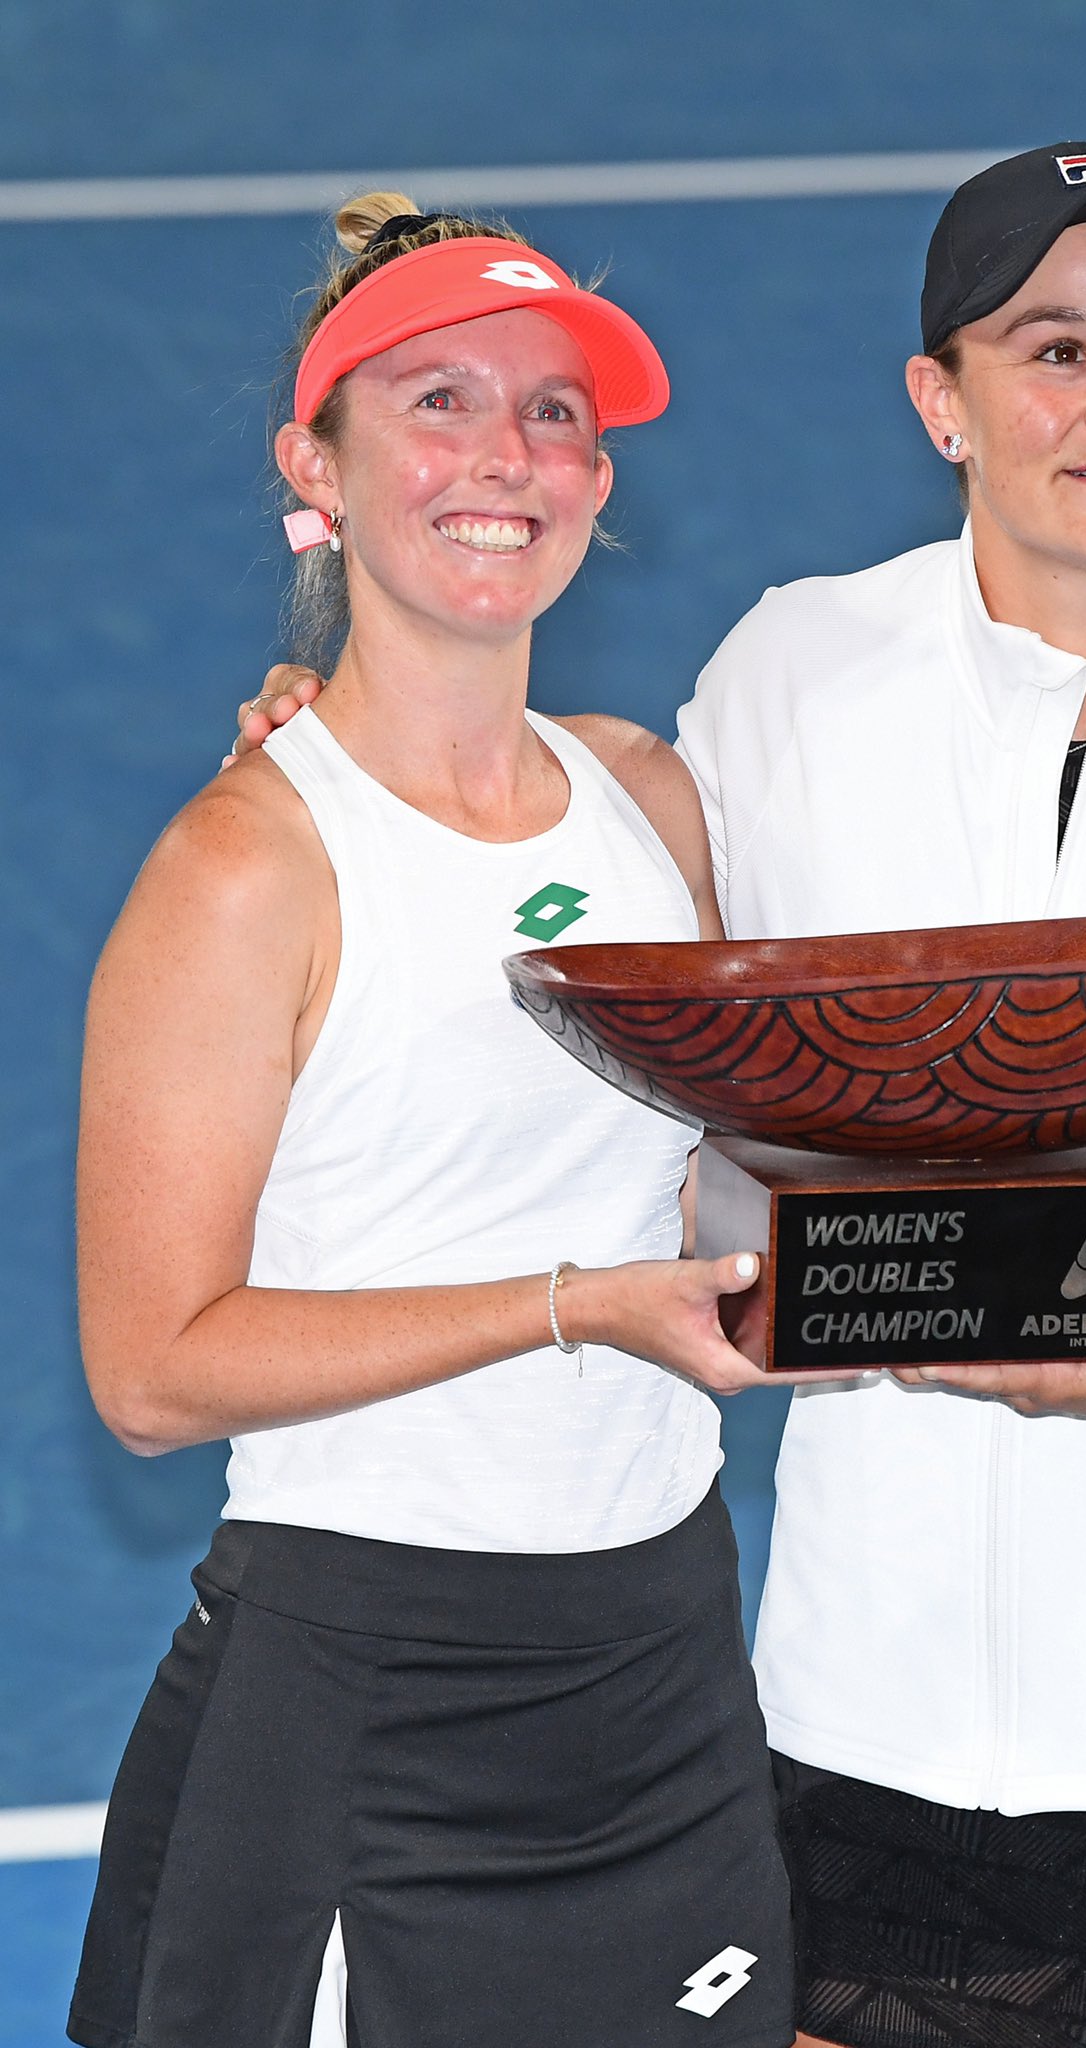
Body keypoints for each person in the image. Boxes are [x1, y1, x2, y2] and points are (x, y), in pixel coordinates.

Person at [240, 146, 1086, 2048]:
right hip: (860, 1729)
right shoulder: (790, 674)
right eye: (1050, 349)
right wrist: (347, 748)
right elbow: (629, 936)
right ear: (942, 401)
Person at [71, 194, 842, 2048]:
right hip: (365, 1701)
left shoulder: (650, 801)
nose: (508, 458)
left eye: (555, 414)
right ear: (314, 468)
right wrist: (570, 1307)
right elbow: (154, 1376)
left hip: (660, 1658)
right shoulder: (244, 869)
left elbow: (719, 1177)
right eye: (439, 402)